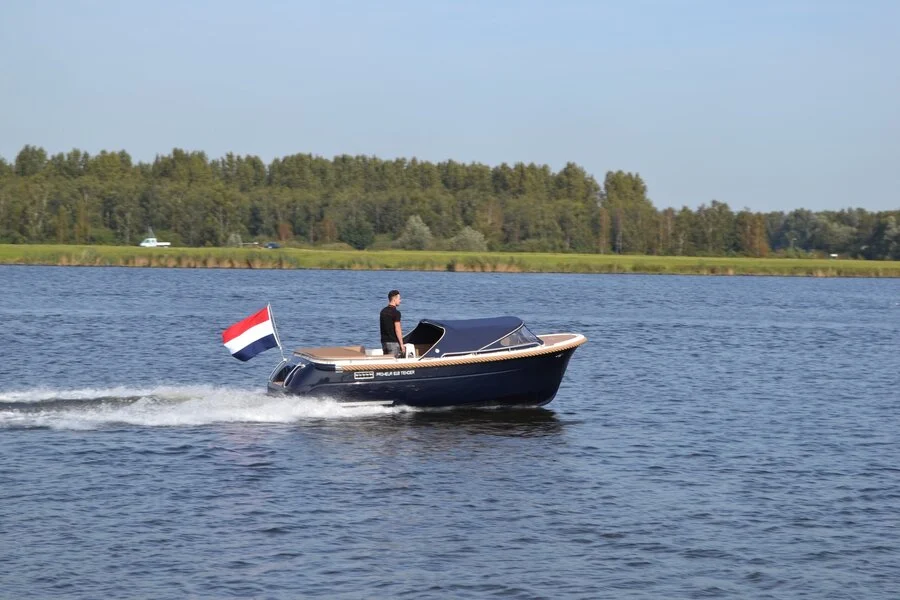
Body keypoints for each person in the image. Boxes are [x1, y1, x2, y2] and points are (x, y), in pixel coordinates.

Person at [380, 289, 405, 358]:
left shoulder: (383, 311)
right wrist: (402, 345)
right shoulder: (396, 313)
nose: (400, 300)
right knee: (395, 364)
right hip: (393, 343)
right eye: (399, 299)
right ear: (394, 299)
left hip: (384, 342)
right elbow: (398, 329)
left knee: (387, 364)